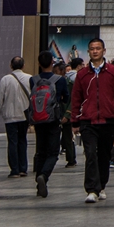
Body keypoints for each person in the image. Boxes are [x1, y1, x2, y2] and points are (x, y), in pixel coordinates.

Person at [70, 38, 114, 204]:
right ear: (88, 52)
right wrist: (74, 121)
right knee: (90, 153)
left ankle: (101, 185)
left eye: (98, 48)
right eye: (92, 49)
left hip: (108, 120)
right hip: (88, 121)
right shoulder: (82, 75)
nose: (95, 51)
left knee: (104, 155)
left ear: (103, 51)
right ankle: (92, 189)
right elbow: (76, 98)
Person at [27, 51, 68, 198]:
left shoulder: (33, 80)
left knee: (40, 152)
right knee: (53, 152)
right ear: (52, 62)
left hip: (38, 120)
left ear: (39, 63)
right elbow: (66, 98)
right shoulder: (60, 80)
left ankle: (39, 184)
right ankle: (43, 176)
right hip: (53, 120)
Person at [0, 56, 31, 180]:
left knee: (12, 142)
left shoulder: (5, 79)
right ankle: (23, 168)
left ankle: (14, 170)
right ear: (23, 65)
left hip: (10, 116)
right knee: (22, 141)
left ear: (11, 66)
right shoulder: (29, 78)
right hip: (24, 115)